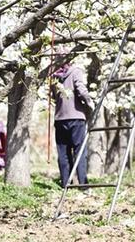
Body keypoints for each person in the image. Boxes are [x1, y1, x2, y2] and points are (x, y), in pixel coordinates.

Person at [52, 59, 94, 188]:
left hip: (60, 118)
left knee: (63, 153)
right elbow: (81, 90)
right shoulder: (76, 71)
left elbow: (53, 96)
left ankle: (66, 183)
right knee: (80, 151)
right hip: (76, 117)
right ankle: (83, 184)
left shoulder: (54, 75)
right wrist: (89, 103)